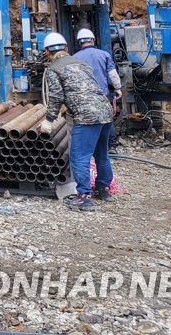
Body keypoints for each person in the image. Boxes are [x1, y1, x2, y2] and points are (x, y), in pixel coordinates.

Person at [38, 32, 115, 211]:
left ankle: (84, 197)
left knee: (79, 156)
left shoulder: (53, 69)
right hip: (105, 111)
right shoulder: (81, 64)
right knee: (101, 154)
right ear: (66, 48)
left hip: (86, 116)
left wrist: (49, 120)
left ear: (47, 52)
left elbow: (56, 96)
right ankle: (103, 189)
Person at [73, 28, 122, 149]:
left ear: (79, 42)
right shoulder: (104, 54)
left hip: (83, 96)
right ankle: (112, 145)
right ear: (93, 40)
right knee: (106, 119)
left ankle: (89, 146)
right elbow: (113, 74)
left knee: (85, 121)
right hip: (101, 95)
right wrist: (118, 88)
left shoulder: (74, 58)